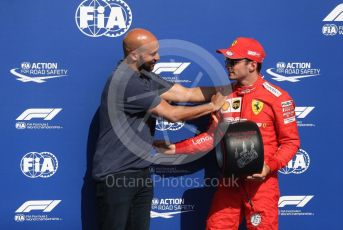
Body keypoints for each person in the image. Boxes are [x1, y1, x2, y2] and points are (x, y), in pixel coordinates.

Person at [155, 37, 300, 229]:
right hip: (229, 182)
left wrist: (268, 167)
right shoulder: (223, 96)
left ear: (252, 65)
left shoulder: (278, 98)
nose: (228, 66)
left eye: (233, 61)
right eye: (227, 61)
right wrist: (175, 148)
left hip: (262, 185)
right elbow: (211, 138)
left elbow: (290, 142)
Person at [92, 28, 226, 230]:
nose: (158, 57)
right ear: (134, 54)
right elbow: (172, 113)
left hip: (140, 172)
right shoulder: (125, 81)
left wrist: (229, 89)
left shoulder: (144, 77)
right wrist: (212, 107)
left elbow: (186, 94)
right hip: (116, 177)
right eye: (152, 53)